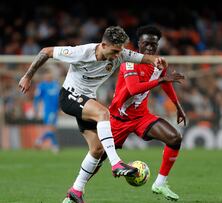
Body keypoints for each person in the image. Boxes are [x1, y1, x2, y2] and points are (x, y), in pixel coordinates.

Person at [18, 26, 168, 203]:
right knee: (103, 113)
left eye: (120, 51)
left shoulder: (120, 54)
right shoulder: (81, 52)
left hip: (87, 100)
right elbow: (46, 51)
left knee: (97, 149)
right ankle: (116, 163)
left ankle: (75, 191)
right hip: (69, 96)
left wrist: (158, 61)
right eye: (114, 51)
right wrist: (28, 76)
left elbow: (145, 58)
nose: (117, 56)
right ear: (103, 45)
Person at [87, 25, 186, 201]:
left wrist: (178, 106)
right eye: (146, 43)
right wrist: (162, 79)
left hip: (141, 118)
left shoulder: (158, 63)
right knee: (98, 158)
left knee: (174, 138)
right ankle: (76, 191)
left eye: (153, 44)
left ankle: (160, 184)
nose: (150, 47)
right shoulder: (128, 61)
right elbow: (133, 89)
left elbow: (166, 83)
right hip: (118, 119)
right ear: (138, 43)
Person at [33, 69, 60, 153]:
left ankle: (54, 145)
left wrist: (60, 109)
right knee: (51, 128)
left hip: (55, 110)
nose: (48, 77)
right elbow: (37, 98)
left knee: (52, 129)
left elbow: (60, 98)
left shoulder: (56, 85)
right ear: (44, 77)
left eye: (49, 75)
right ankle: (42, 141)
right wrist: (36, 109)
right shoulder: (42, 86)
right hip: (48, 110)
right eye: (47, 75)